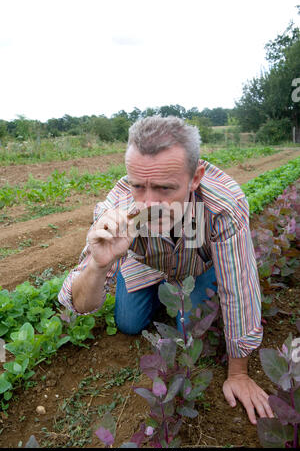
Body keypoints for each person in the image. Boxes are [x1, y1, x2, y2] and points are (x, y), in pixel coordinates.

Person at [58, 116, 274, 425]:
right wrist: (99, 263)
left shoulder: (221, 207)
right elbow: (79, 303)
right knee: (129, 323)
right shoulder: (117, 208)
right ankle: (136, 277)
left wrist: (239, 373)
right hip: (145, 263)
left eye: (164, 188)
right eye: (138, 186)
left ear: (195, 177)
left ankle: (180, 292)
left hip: (193, 266)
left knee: (192, 326)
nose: (149, 204)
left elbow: (239, 288)